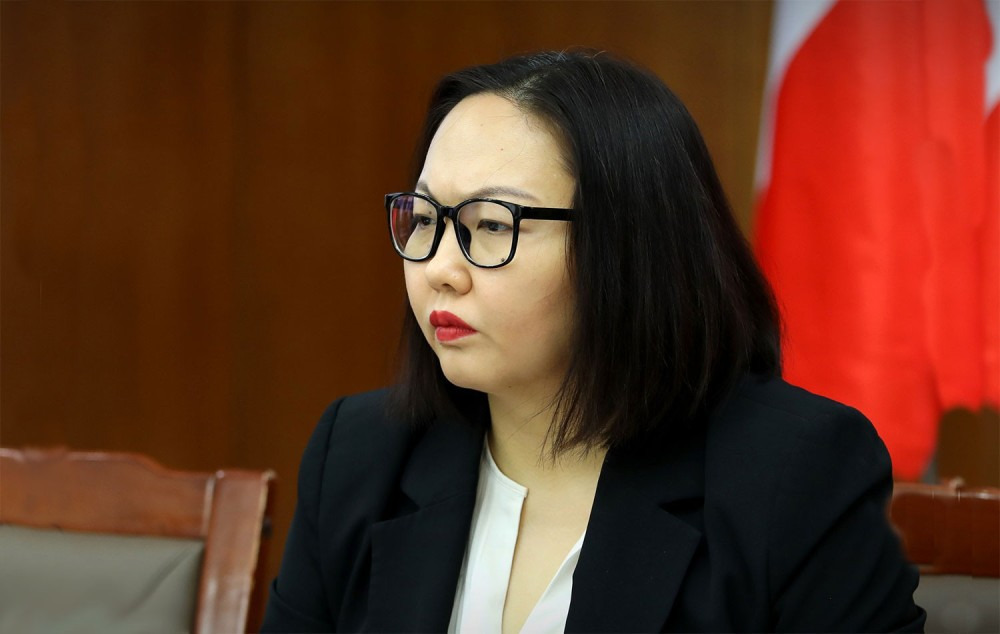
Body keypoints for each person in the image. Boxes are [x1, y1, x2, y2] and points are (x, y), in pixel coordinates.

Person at [261, 50, 925, 633]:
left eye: (491, 224)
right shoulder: (361, 455)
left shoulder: (798, 474)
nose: (440, 268)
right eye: (426, 217)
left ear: (627, 248)